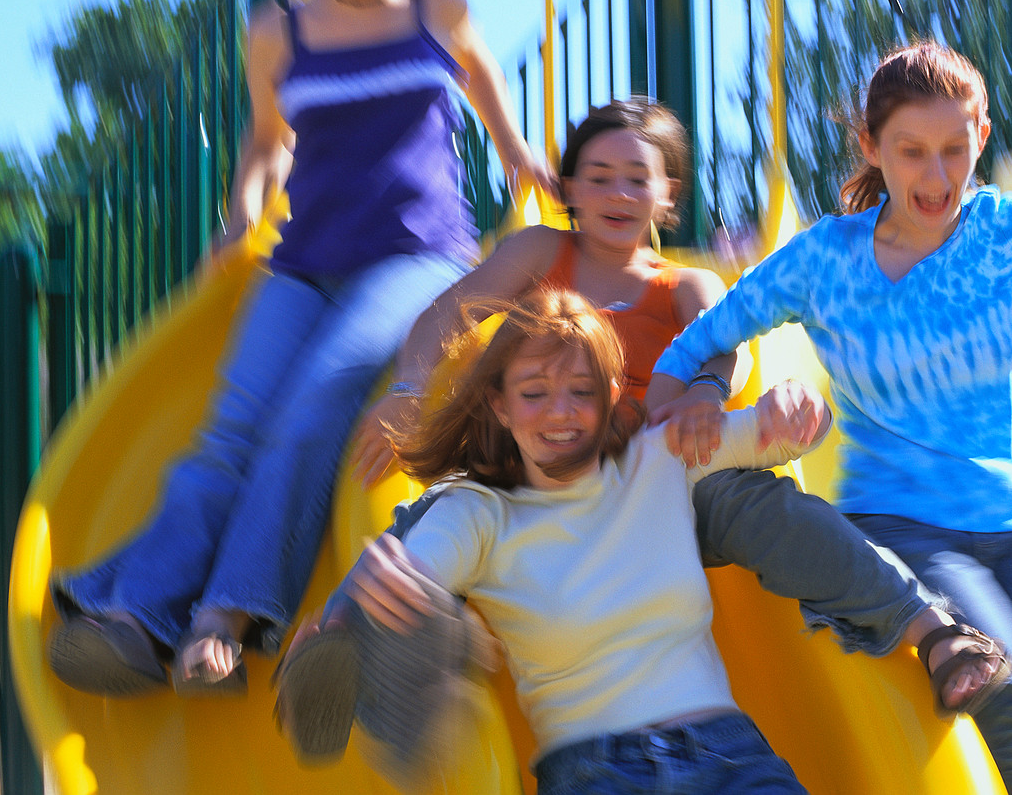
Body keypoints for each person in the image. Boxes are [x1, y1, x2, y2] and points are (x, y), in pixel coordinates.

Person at [647, 41, 1012, 794]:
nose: (936, 176)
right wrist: (707, 395)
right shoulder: (824, 261)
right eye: (911, 152)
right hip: (907, 529)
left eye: (955, 149)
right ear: (873, 147)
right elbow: (690, 351)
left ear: (980, 135)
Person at [344, 98, 1009, 717]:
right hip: (547, 481)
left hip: (655, 489)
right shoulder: (542, 251)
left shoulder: (682, 284)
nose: (618, 193)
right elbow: (446, 315)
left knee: (757, 503)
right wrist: (409, 386)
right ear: (568, 187)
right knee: (449, 506)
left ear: (667, 196)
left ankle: (935, 631)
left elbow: (728, 347)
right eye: (599, 176)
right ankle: (350, 635)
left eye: (639, 178)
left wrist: (702, 391)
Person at [47, 0, 549, 697]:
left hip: (416, 254)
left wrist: (516, 152)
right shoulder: (277, 30)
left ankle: (225, 619)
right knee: (232, 423)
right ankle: (139, 615)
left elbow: (477, 71)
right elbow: (267, 136)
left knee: (315, 400)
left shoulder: (434, 6)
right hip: (306, 257)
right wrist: (243, 202)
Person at [282, 288, 823, 792]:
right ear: (500, 404)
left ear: (612, 395)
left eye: (581, 392)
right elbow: (426, 565)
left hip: (728, 756)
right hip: (597, 771)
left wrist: (798, 407)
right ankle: (403, 680)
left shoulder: (659, 459)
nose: (559, 412)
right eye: (534, 393)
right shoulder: (480, 513)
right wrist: (393, 598)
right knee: (406, 610)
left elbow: (780, 439)